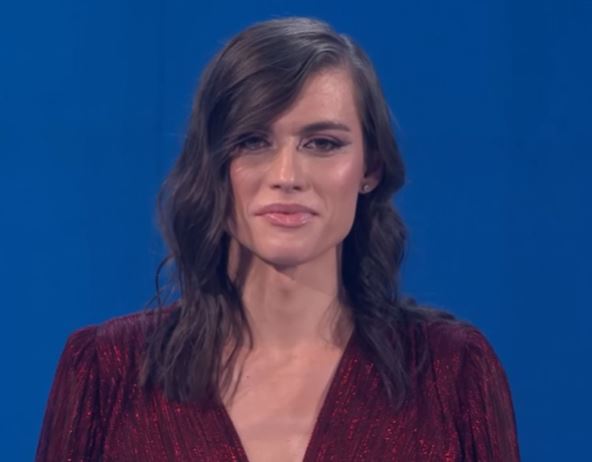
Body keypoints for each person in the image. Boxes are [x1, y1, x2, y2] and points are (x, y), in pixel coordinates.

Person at [36, 16, 520, 462]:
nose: (287, 176)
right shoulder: (107, 374)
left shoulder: (451, 375)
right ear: (213, 164)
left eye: (322, 144)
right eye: (252, 141)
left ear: (370, 168)